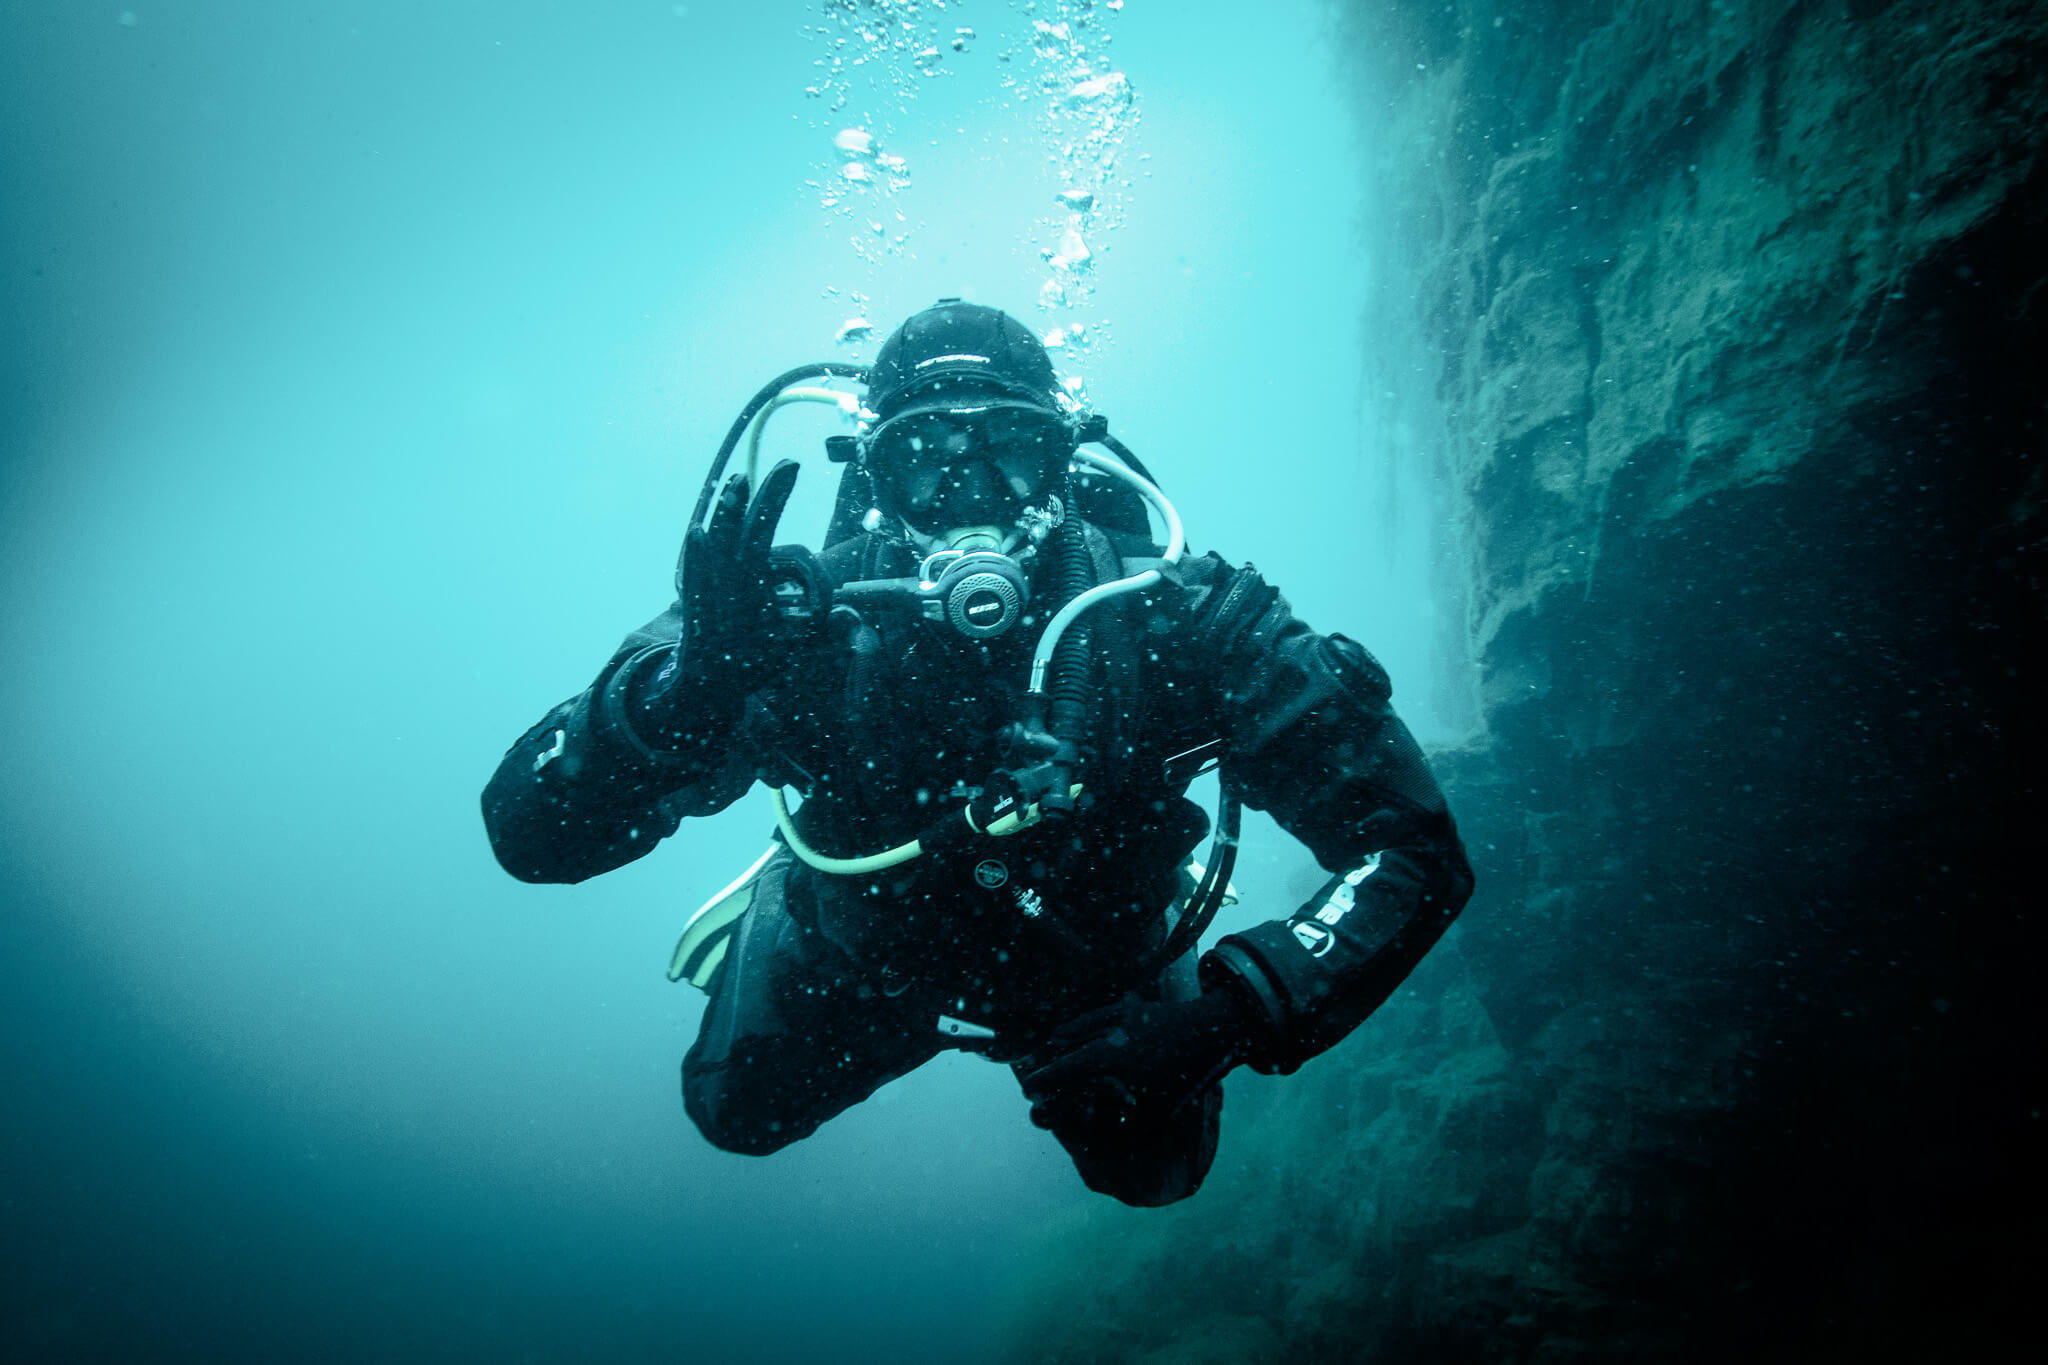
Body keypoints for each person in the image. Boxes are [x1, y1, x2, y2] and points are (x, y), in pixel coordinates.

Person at [482, 299, 1473, 1207]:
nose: (969, 490)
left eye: (1010, 445)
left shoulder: (1178, 619)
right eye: (924, 452)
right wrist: (678, 700)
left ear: (1065, 461)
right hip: (868, 955)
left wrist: (1223, 1019)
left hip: (1095, 969)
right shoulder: (783, 625)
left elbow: (1412, 852)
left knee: (1157, 1176)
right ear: (871, 472)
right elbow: (528, 839)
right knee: (736, 1113)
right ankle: (786, 898)